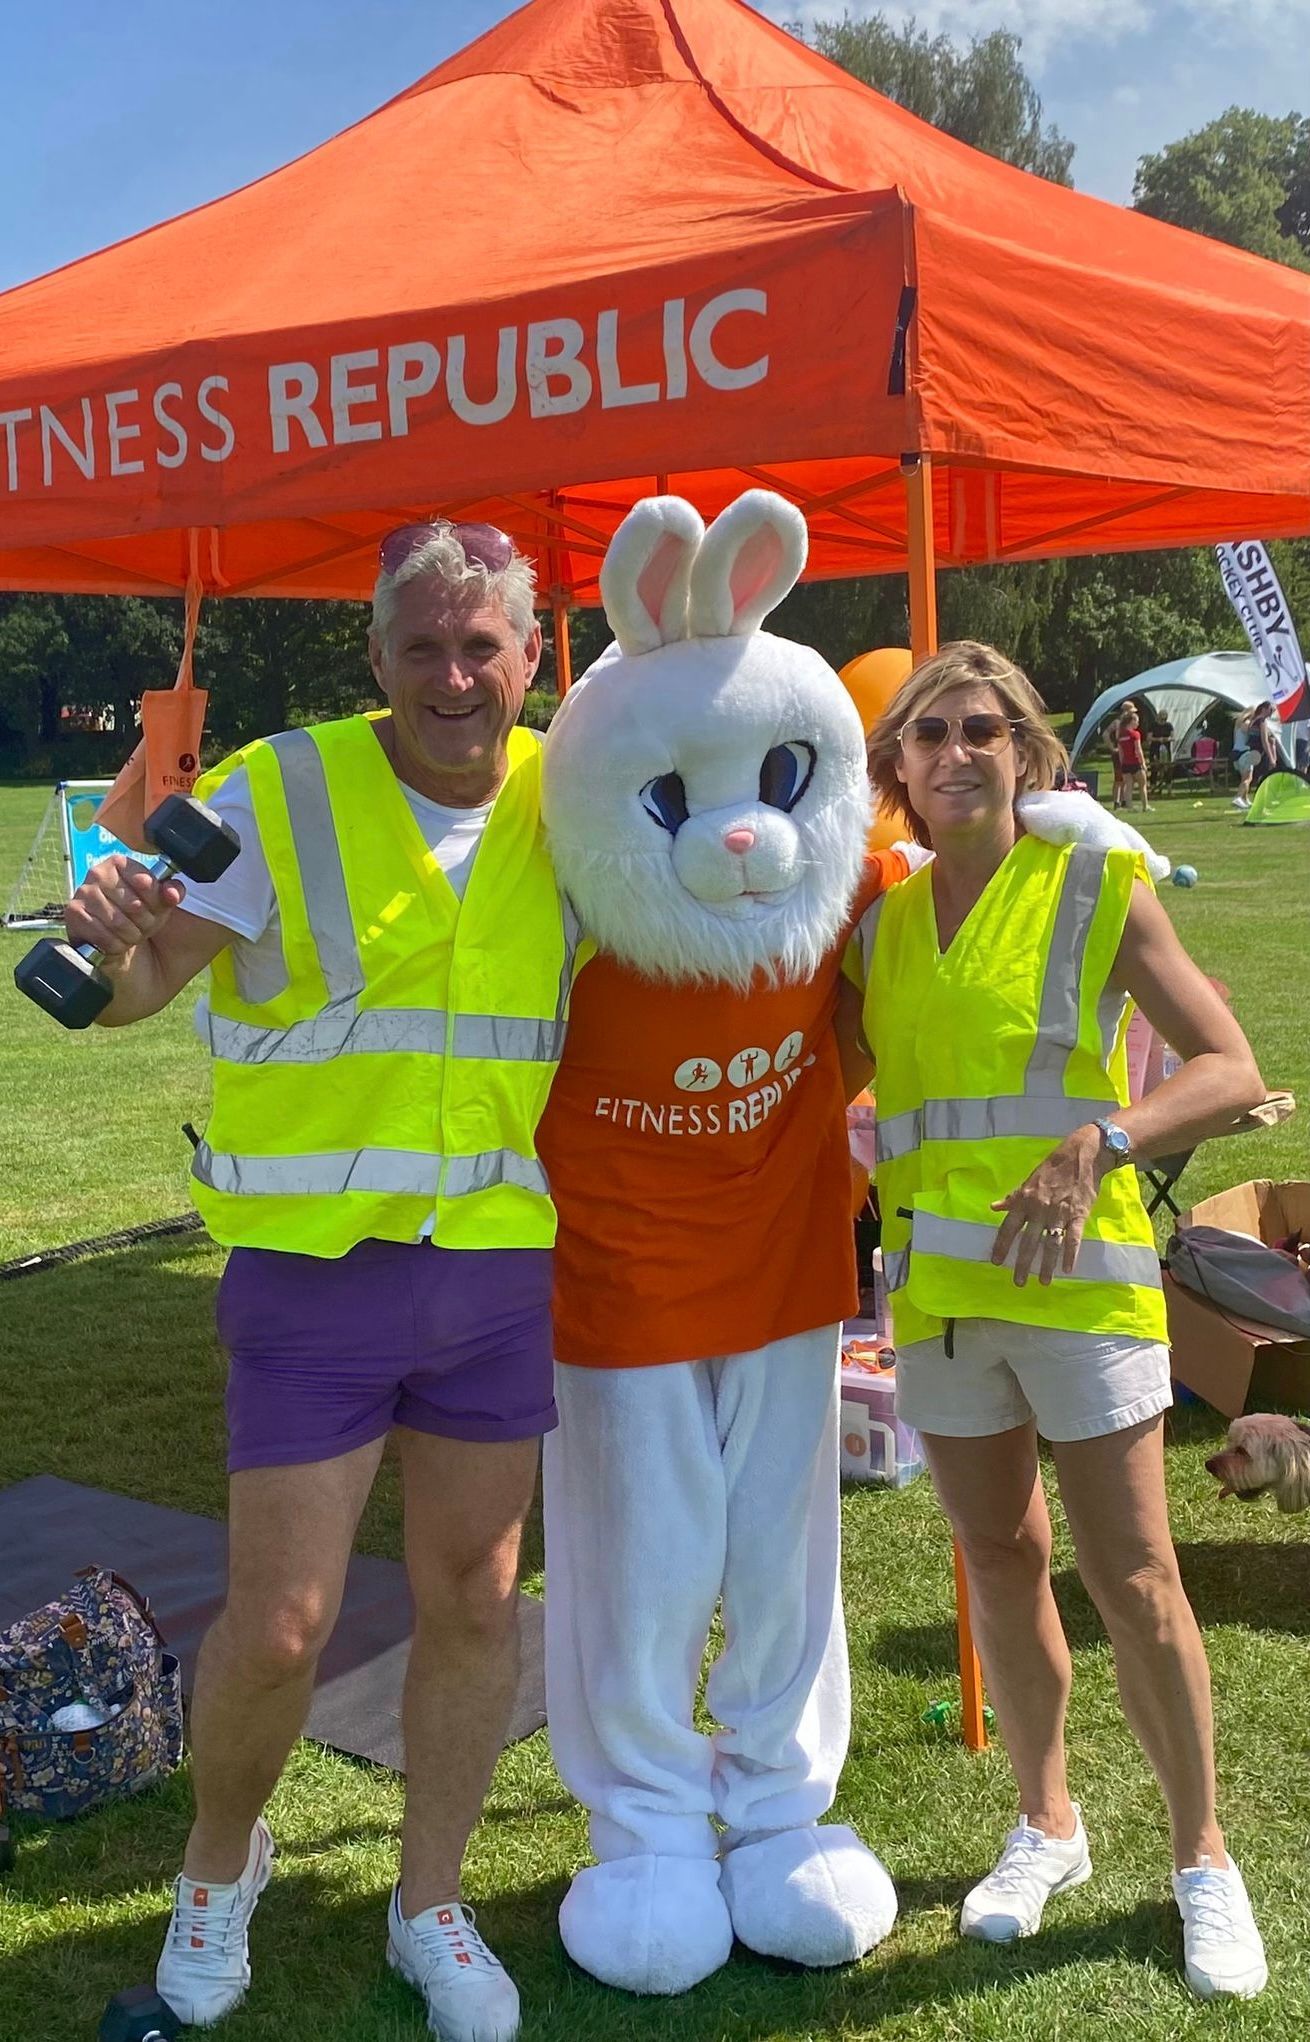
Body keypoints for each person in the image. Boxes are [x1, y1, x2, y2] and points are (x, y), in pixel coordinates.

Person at [61, 521, 575, 2042]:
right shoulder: (281, 785)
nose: (453, 675)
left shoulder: (581, 785)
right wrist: (111, 953)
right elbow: (150, 977)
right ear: (375, 660)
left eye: (482, 645)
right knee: (281, 1624)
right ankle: (220, 1865)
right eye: (421, 645)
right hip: (313, 1279)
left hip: (494, 1269)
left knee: (476, 1605)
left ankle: (430, 1900)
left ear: (529, 655)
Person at [841, 641, 1269, 2001]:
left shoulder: (1093, 884)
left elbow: (1229, 1064)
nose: (955, 752)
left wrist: (1104, 1134)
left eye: (981, 729)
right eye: (928, 734)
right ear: (894, 767)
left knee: (1134, 1577)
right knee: (997, 1557)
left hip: (1080, 1285)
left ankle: (1201, 1858)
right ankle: (1048, 1823)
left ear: (1024, 750)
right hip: (942, 1299)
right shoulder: (879, 930)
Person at [1231, 701, 1278, 809]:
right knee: (1247, 778)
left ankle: (1245, 799)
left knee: (1246, 777)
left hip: (1236, 753)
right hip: (1245, 753)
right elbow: (1263, 739)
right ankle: (1238, 798)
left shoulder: (1239, 724)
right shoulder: (1249, 723)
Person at [1113, 702, 1152, 813]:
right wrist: (1143, 763)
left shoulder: (1121, 735)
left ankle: (1129, 806)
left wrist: (1122, 763)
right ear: (1132, 721)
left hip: (1125, 764)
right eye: (1137, 721)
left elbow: (1121, 752)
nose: (1138, 724)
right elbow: (1138, 750)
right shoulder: (1135, 734)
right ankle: (1145, 806)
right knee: (1142, 785)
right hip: (1135, 762)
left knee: (1128, 787)